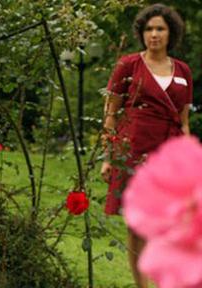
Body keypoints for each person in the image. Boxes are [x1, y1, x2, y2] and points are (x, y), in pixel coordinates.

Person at [100, 4, 192, 288]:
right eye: (149, 29)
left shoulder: (183, 71)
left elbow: (184, 121)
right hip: (132, 150)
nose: (154, 34)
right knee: (137, 222)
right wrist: (108, 156)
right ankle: (142, 284)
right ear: (141, 33)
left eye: (160, 29)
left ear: (170, 33)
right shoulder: (128, 65)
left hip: (167, 154)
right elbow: (111, 112)